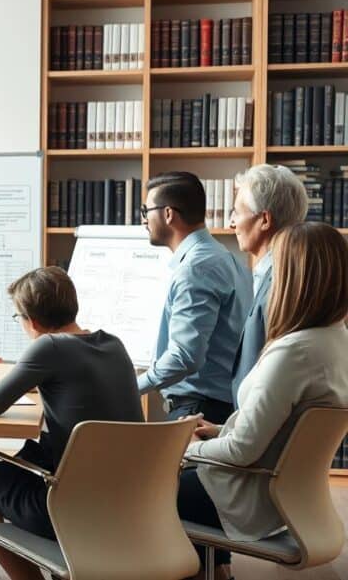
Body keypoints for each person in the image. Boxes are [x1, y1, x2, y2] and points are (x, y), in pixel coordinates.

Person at [180, 221, 348, 580]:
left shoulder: (294, 352)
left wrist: (184, 449)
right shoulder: (337, 341)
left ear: (292, 277)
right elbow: (285, 424)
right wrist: (220, 429)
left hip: (247, 495)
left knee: (136, 492)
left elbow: (242, 452)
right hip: (288, 495)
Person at [0, 266, 143, 580]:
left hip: (70, 508)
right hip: (128, 502)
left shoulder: (49, 347)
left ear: (31, 321)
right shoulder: (113, 345)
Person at [138, 171, 252, 424]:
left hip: (199, 409)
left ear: (168, 214)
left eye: (147, 211)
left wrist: (131, 388)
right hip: (216, 406)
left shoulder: (195, 268)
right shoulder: (224, 258)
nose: (144, 221)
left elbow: (185, 357)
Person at [227, 164, 308, 406]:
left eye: (237, 213)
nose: (232, 223)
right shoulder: (288, 274)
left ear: (264, 220)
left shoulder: (279, 285)